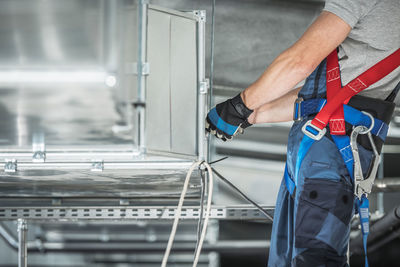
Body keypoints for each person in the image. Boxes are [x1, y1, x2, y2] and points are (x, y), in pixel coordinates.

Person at [205, 0, 400, 266]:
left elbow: (299, 61)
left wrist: (240, 105)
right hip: (328, 149)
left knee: (312, 261)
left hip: (330, 155)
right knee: (292, 260)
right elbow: (316, 102)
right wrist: (248, 116)